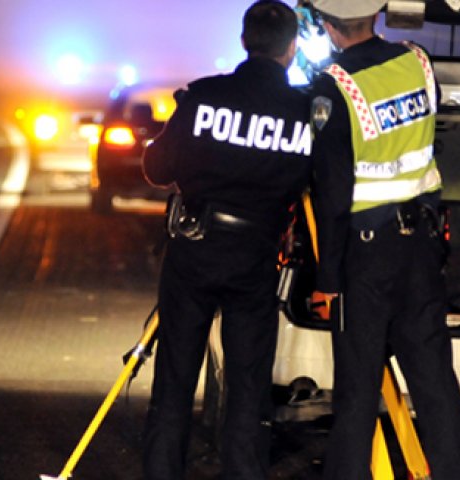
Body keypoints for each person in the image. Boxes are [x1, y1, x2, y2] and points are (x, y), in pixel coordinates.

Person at [140, 1, 312, 478]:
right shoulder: (304, 115)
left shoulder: (203, 98)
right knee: (248, 386)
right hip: (256, 257)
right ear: (292, 49)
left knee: (175, 380)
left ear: (243, 41)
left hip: (195, 248)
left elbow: (157, 169)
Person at [307, 0, 460, 478]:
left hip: (367, 255)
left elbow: (333, 192)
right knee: (435, 382)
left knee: (357, 390)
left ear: (329, 27)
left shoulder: (334, 85)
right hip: (420, 247)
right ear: (375, 16)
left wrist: (327, 277)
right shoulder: (418, 61)